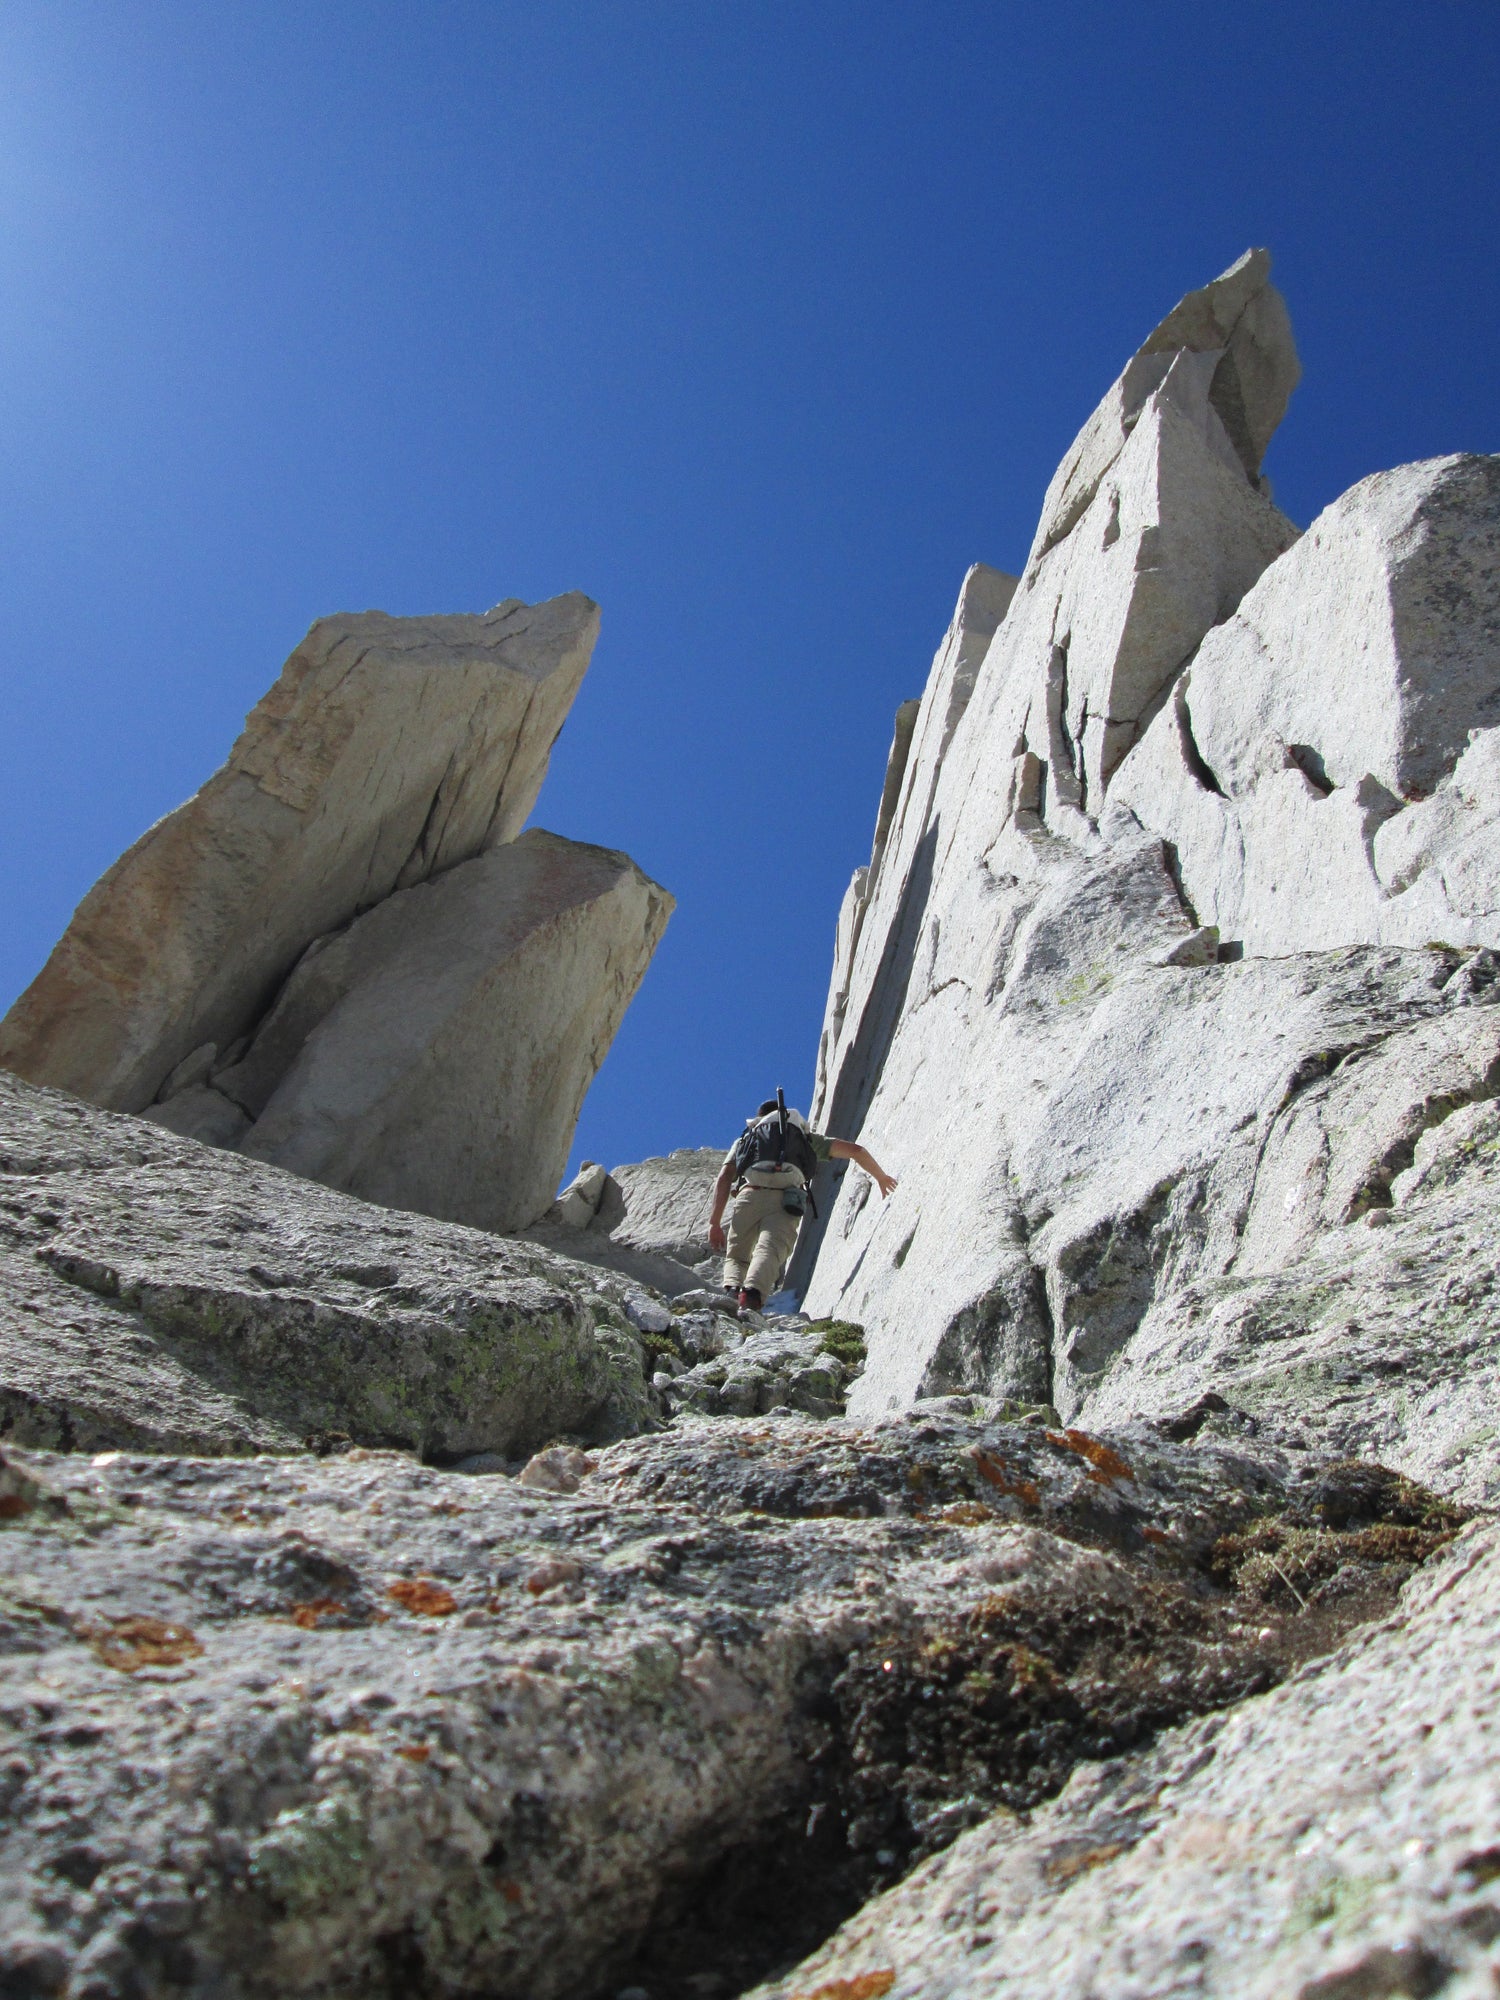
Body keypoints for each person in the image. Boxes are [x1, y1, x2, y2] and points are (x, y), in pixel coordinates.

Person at [707, 1095, 897, 1314]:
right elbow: (856, 1151)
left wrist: (714, 1222)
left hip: (750, 1195)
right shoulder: (803, 1138)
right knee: (770, 1249)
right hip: (786, 1199)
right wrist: (881, 1177)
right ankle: (751, 1298)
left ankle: (731, 1293)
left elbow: (724, 1176)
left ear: (759, 1119)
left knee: (738, 1255)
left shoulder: (746, 1138)